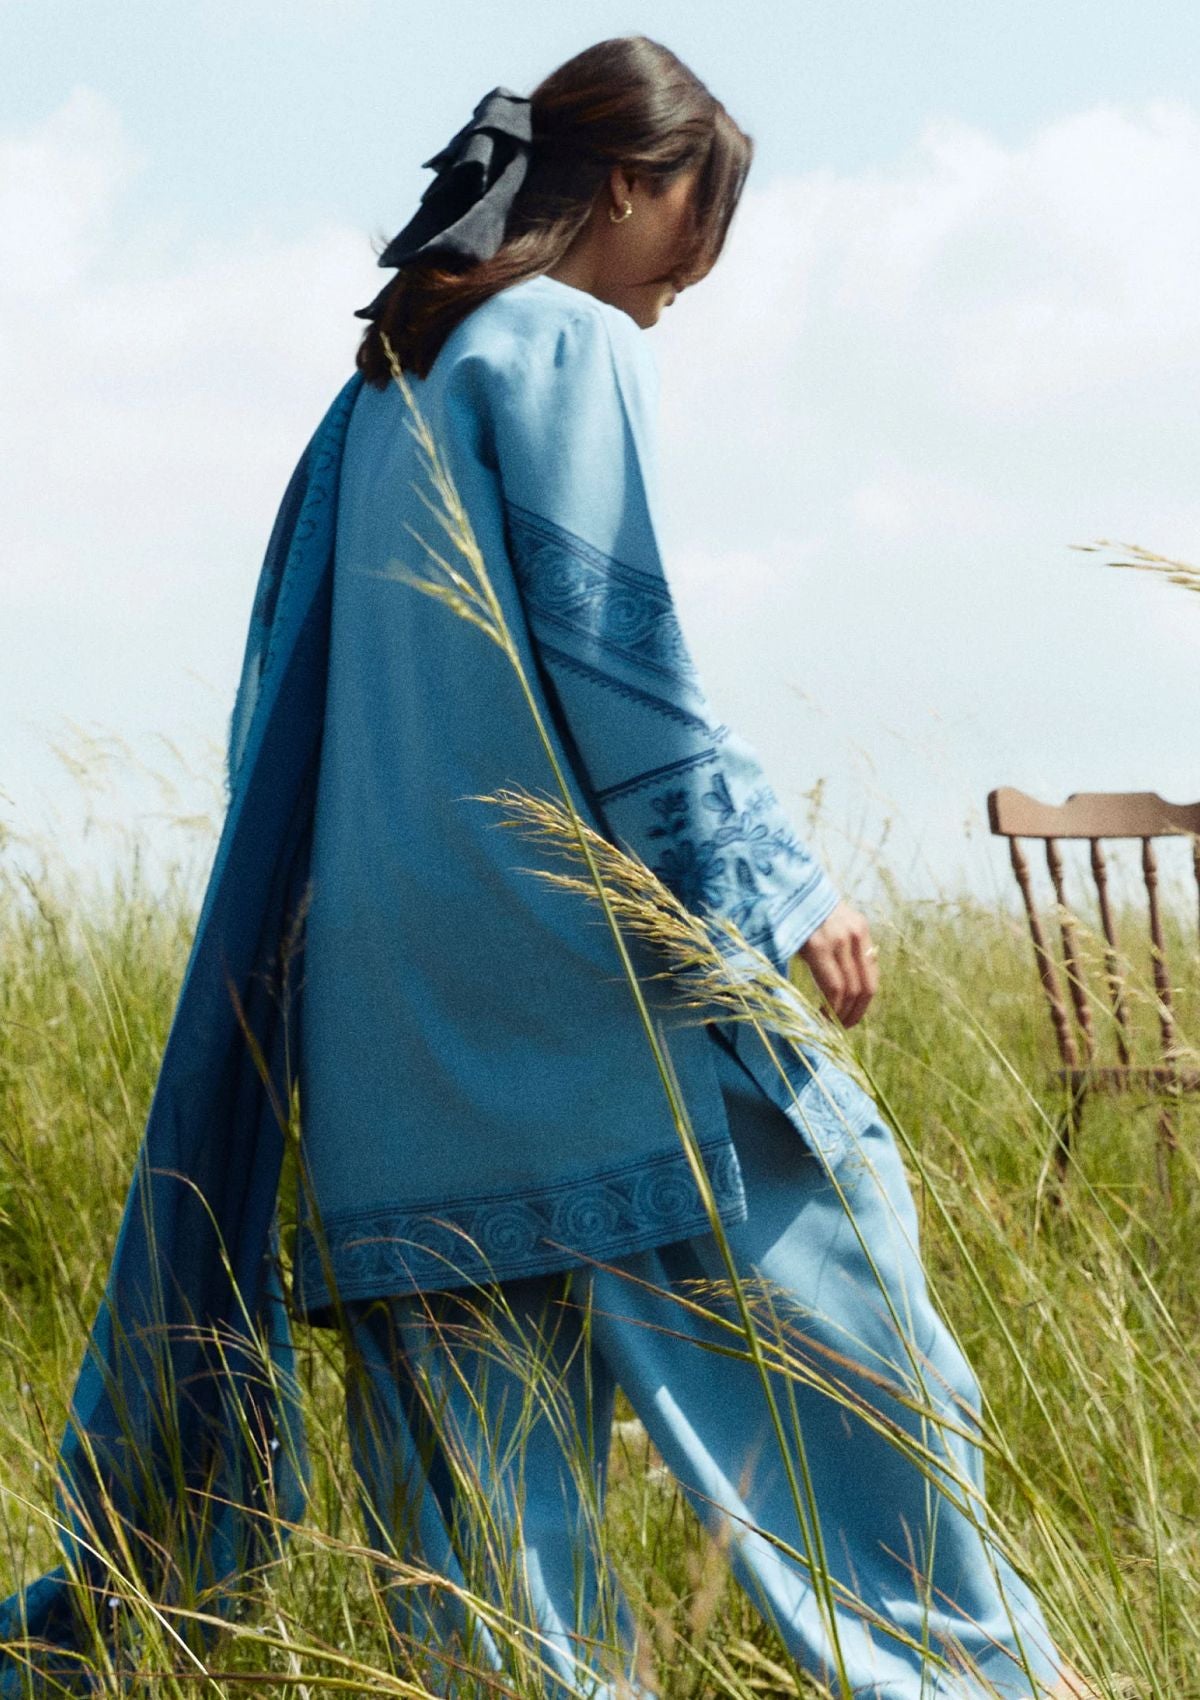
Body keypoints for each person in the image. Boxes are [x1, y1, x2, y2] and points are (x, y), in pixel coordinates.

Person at [0, 33, 1099, 1700]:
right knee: (863, 1340)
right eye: (695, 231)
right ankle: (984, 1678)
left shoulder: (385, 389)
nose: (687, 286)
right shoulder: (559, 342)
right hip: (581, 1020)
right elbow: (619, 657)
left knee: (490, 1572)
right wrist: (773, 894)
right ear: (635, 184)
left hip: (388, 1055)